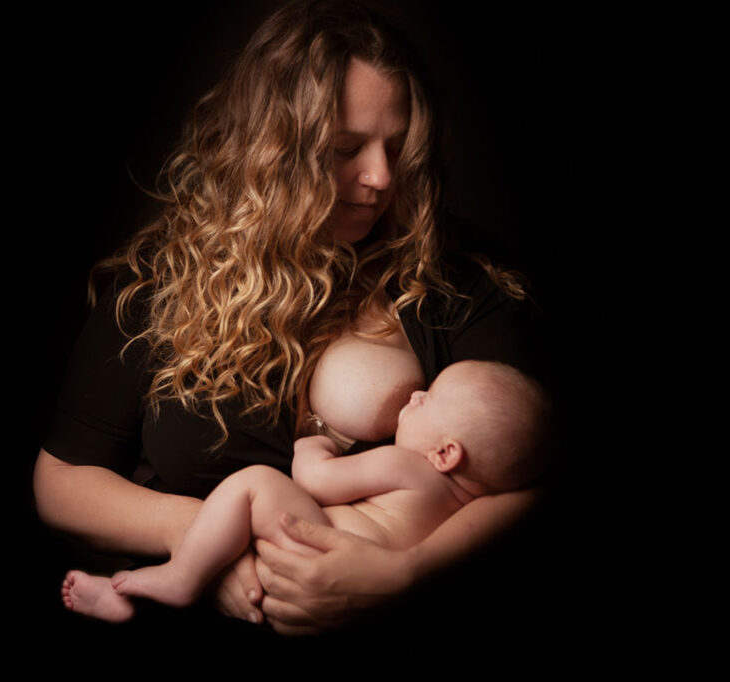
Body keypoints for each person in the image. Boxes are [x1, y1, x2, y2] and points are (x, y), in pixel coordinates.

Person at [34, 0, 548, 636]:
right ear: (273, 152)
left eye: (397, 145)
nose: (381, 176)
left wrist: (404, 573)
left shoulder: (448, 279)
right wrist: (203, 542)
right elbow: (60, 478)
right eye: (346, 148)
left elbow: (534, 476)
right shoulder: (159, 281)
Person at [60, 360, 549, 623]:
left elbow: (316, 482)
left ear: (446, 455)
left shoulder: (408, 465)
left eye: (429, 399)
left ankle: (179, 577)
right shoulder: (471, 511)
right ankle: (123, 593)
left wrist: (313, 445)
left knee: (255, 485)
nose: (416, 395)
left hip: (315, 541)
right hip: (347, 597)